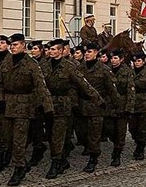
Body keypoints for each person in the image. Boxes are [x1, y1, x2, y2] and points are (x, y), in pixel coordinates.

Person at [0, 33, 53, 186]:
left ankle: (19, 168)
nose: (12, 48)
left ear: (23, 46)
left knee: (19, 140)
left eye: (15, 45)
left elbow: (41, 87)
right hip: (7, 104)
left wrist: (48, 108)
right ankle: (22, 163)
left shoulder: (31, 64)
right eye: (11, 45)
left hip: (24, 105)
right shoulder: (6, 62)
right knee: (7, 138)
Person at [41, 38, 103, 179]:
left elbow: (84, 84)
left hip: (63, 105)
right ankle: (63, 160)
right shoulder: (44, 66)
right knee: (50, 135)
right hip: (48, 104)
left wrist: (98, 99)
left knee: (58, 136)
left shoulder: (69, 67)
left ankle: (56, 163)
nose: (52, 52)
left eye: (55, 49)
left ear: (62, 51)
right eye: (50, 49)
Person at [78, 43, 120, 173]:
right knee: (82, 132)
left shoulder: (104, 69)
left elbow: (112, 90)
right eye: (85, 52)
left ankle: (93, 158)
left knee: (95, 134)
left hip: (98, 106)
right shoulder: (80, 68)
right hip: (83, 106)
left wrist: (117, 107)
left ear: (96, 52)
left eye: (89, 51)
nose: (87, 54)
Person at [105, 49, 135, 167]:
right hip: (109, 104)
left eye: (116, 58)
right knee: (109, 129)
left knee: (120, 132)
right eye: (112, 58)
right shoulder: (106, 70)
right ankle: (115, 144)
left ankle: (117, 154)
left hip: (122, 105)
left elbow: (130, 90)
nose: (113, 60)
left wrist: (129, 107)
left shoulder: (127, 71)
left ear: (121, 59)